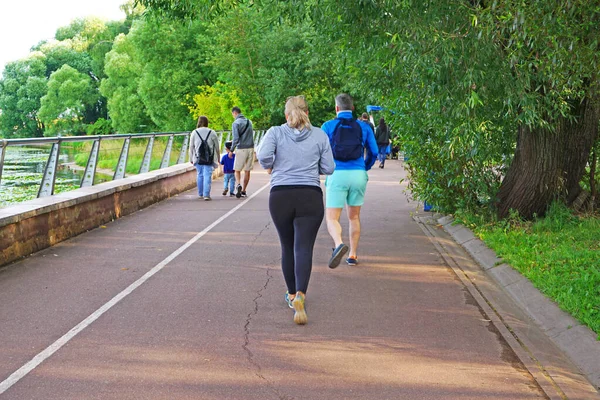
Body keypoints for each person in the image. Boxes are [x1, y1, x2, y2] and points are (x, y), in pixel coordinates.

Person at [257, 96, 335, 325]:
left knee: (287, 245)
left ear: (286, 115)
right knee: (303, 247)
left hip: (280, 195)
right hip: (309, 196)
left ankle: (291, 295)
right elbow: (329, 167)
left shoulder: (275, 132)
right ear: (307, 113)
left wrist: (271, 165)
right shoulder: (320, 135)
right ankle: (301, 293)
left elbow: (262, 156)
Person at [321, 94, 378, 267]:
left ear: (336, 108)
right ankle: (352, 255)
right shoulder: (363, 126)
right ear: (353, 108)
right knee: (354, 217)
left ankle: (338, 244)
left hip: (337, 173)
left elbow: (320, 152)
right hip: (358, 174)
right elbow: (374, 151)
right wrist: (364, 167)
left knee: (332, 218)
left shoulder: (328, 126)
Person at [189, 115, 220, 201]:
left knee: (200, 175)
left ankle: (200, 194)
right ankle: (206, 194)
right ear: (207, 122)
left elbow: (191, 147)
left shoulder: (194, 132)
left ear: (199, 122)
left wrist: (191, 158)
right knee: (207, 175)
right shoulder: (212, 132)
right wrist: (218, 157)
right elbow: (217, 147)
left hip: (197, 158)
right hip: (209, 159)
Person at [230, 106, 254, 198]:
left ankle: (238, 184)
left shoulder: (236, 123)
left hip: (241, 149)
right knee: (247, 171)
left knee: (237, 170)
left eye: (233, 114)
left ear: (235, 113)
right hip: (250, 148)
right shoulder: (249, 122)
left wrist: (231, 150)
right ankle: (244, 190)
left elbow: (236, 138)